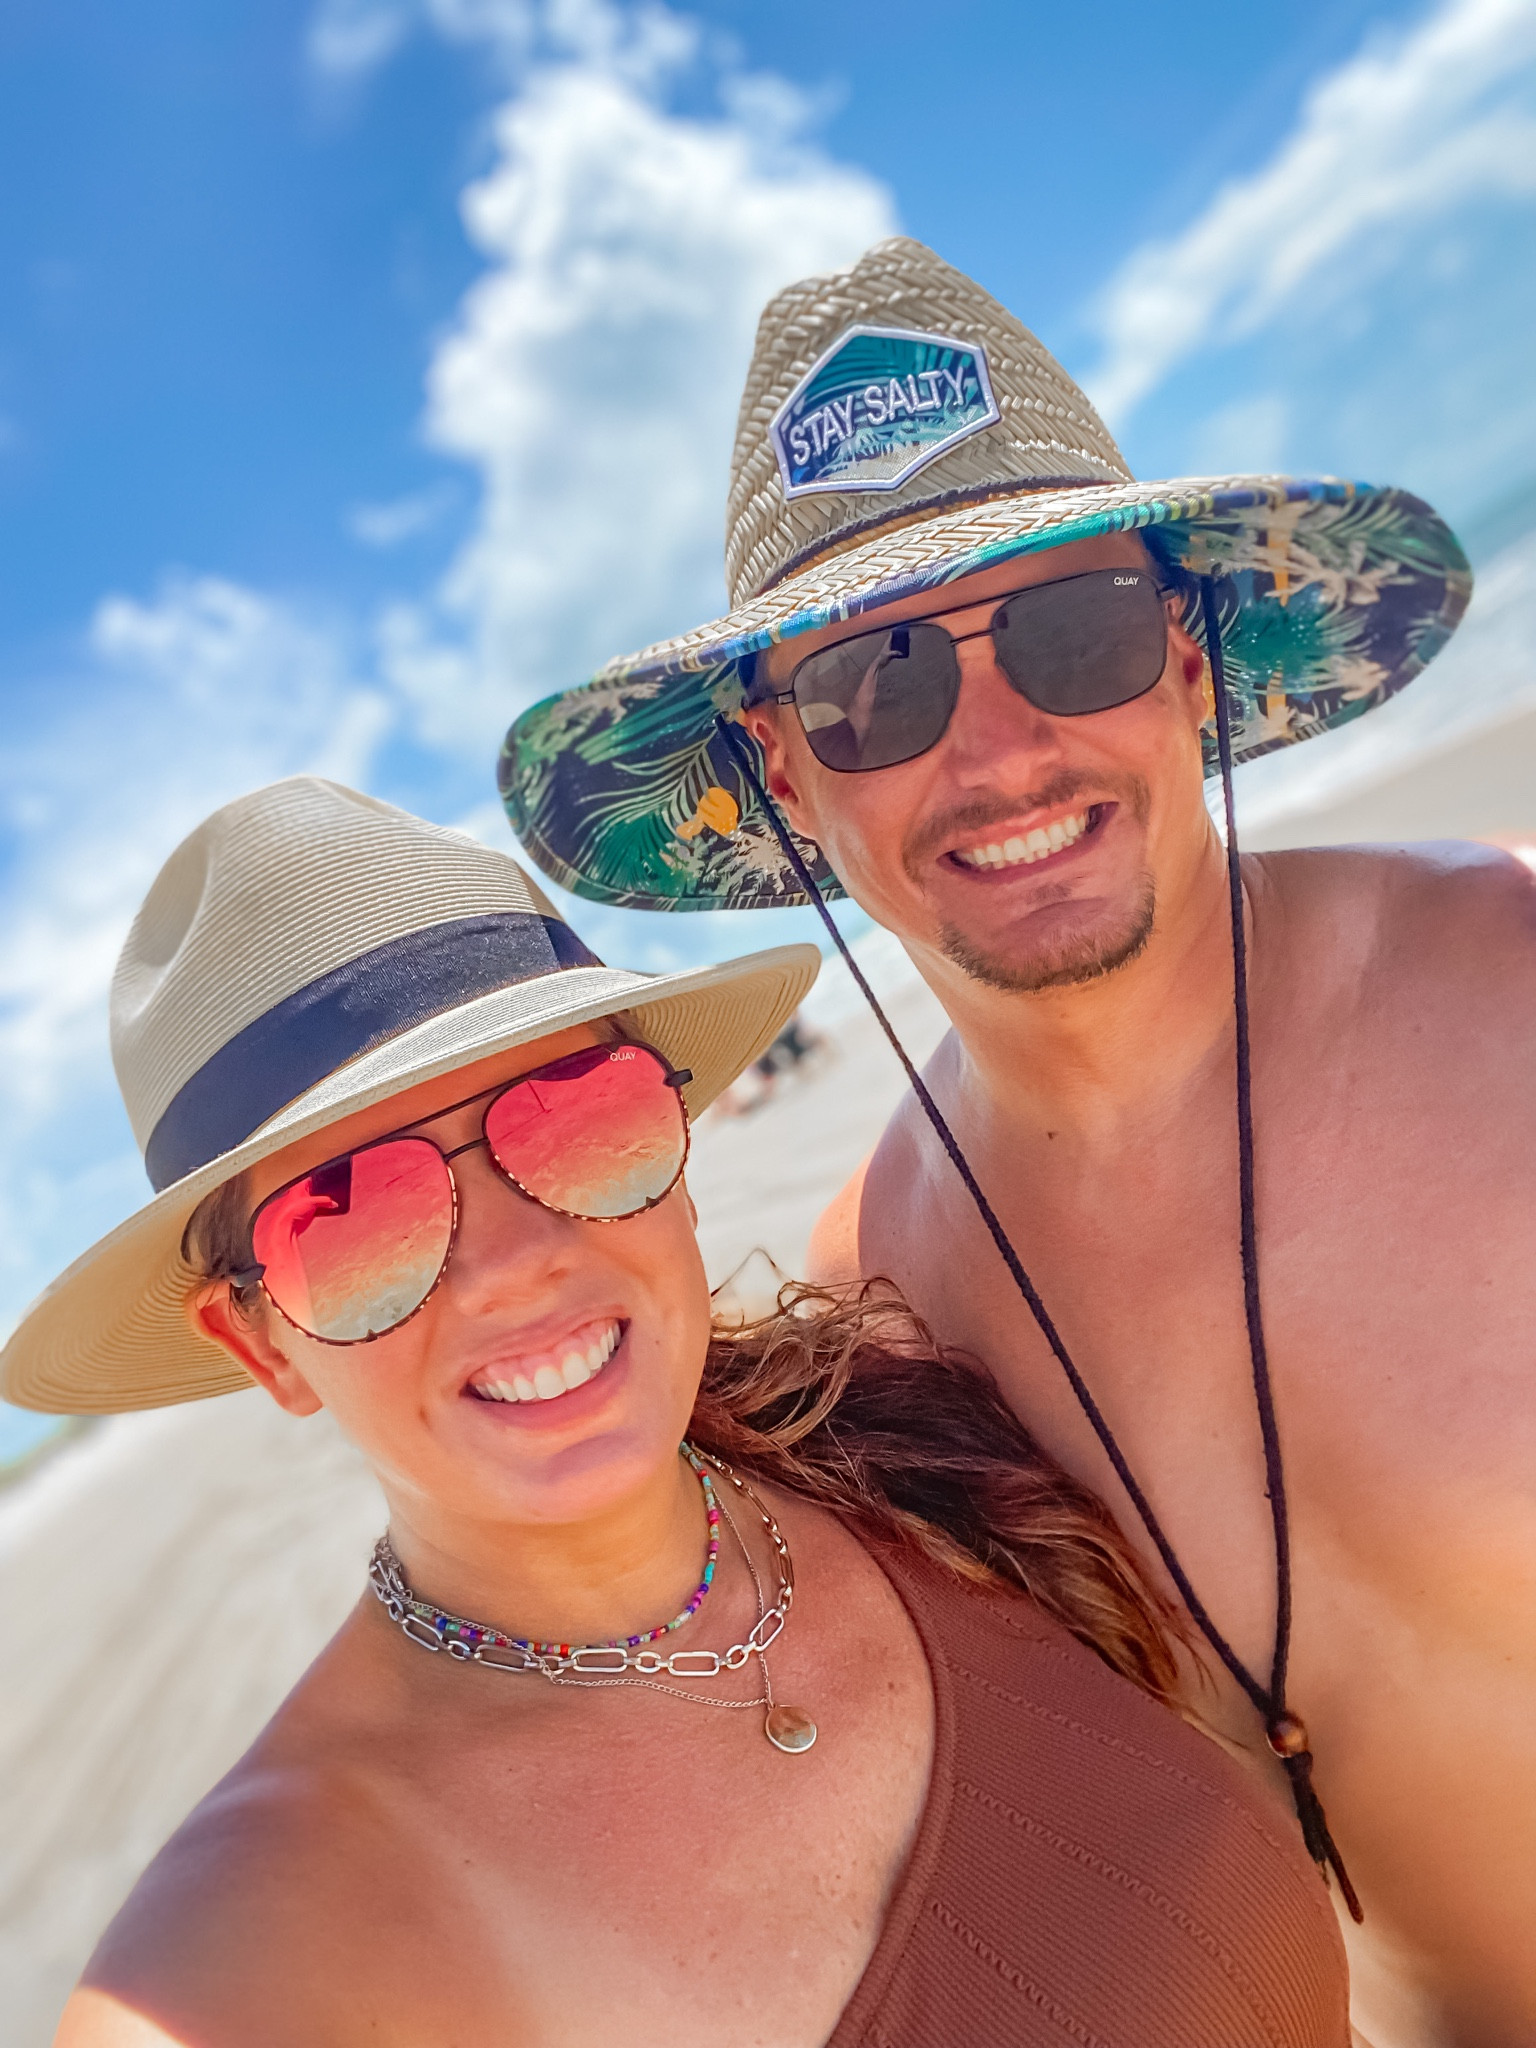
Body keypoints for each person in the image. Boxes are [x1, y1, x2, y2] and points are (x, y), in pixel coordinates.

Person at [497, 239, 1535, 2047]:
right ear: (784, 778)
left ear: (1191, 660)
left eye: (1076, 635)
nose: (1002, 749)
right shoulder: (883, 1302)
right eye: (876, 687)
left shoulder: (1518, 979)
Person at [6, 777, 1349, 2047]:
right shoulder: (264, 1952)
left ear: (680, 1148)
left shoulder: (921, 1443)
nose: (518, 1259)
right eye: (352, 1222)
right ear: (262, 1343)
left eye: (576, 1119)